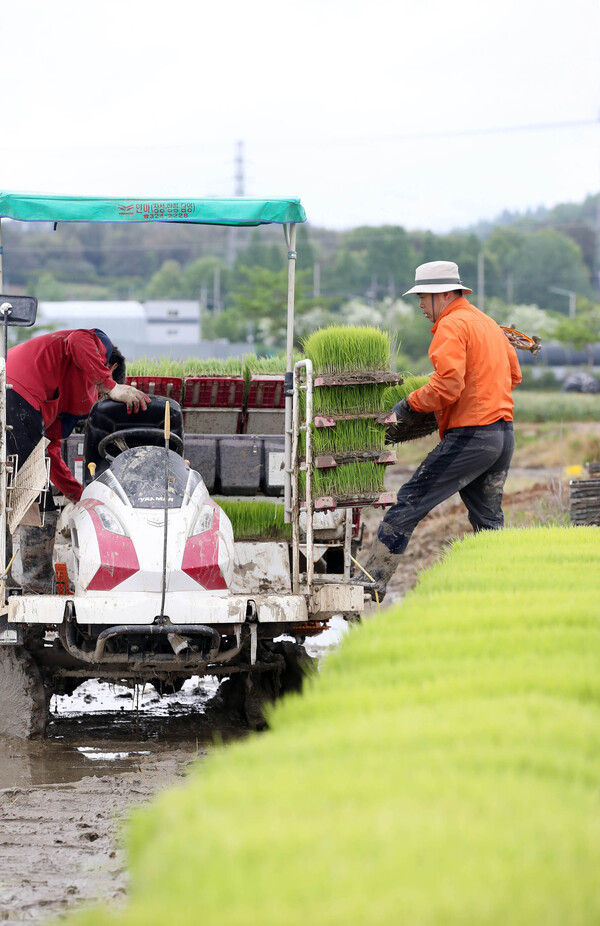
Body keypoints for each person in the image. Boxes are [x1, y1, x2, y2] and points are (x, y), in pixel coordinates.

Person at [362, 260, 522, 600]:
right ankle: (503, 593)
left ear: (445, 294)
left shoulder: (451, 325)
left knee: (407, 504)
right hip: (503, 435)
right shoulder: (487, 323)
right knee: (489, 522)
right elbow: (514, 376)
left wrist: (409, 404)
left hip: (472, 437)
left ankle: (369, 587)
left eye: (423, 297)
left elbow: (447, 386)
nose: (420, 304)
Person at [5, 328, 148, 593]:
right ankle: (39, 585)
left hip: (17, 397)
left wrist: (77, 495)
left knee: (10, 494)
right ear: (109, 366)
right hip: (14, 392)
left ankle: (8, 581)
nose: (96, 397)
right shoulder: (97, 342)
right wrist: (111, 387)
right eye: (100, 392)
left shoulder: (60, 395)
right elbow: (77, 340)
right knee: (34, 496)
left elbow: (50, 450)